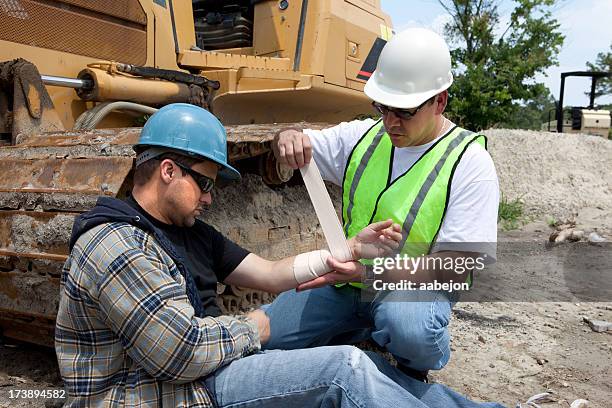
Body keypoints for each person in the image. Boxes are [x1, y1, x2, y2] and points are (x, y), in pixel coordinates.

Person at [54, 103, 504, 407]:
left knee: (369, 358)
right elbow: (180, 354)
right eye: (206, 183)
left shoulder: (189, 232)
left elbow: (269, 273)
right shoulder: (116, 244)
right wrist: (258, 325)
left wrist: (344, 253)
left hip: (209, 365)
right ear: (168, 171)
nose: (211, 198)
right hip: (166, 392)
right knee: (343, 368)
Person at [262, 27, 500, 381]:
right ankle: (361, 329)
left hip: (412, 290)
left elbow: (455, 267)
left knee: (409, 328)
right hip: (347, 283)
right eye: (382, 107)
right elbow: (298, 142)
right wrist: (287, 138)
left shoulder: (470, 164)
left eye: (403, 111)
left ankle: (413, 363)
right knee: (271, 337)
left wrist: (368, 274)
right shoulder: (366, 136)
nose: (390, 121)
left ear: (440, 101)